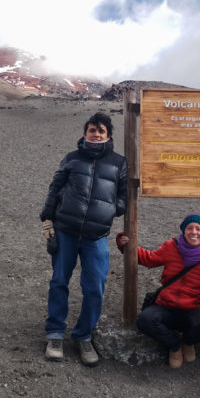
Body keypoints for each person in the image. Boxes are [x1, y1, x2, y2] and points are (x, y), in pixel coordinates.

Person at [40, 111, 127, 366]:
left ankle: (84, 335)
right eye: (92, 129)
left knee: (95, 287)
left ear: (109, 135)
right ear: (85, 133)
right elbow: (54, 188)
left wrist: (112, 209)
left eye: (101, 130)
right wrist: (47, 218)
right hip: (66, 230)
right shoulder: (72, 158)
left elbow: (123, 196)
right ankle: (55, 334)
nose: (96, 134)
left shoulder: (119, 163)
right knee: (59, 281)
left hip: (96, 236)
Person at [115, 214, 200, 369]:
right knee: (145, 320)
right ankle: (174, 346)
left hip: (192, 310)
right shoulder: (171, 246)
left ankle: (188, 342)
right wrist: (127, 245)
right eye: (189, 228)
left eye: (198, 229)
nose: (193, 232)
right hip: (165, 306)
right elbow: (149, 259)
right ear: (184, 231)